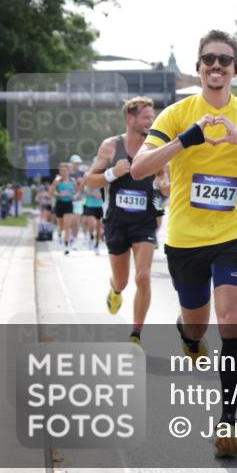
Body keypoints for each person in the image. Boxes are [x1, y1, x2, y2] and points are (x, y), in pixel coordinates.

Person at [131, 29, 237, 459]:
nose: (216, 66)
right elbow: (138, 169)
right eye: (209, 59)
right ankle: (188, 338)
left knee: (230, 320)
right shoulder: (176, 113)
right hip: (186, 239)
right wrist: (184, 140)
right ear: (199, 66)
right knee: (197, 323)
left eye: (225, 60)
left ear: (235, 70)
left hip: (235, 234)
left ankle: (227, 422)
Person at [84, 96, 162, 343]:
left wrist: (164, 185)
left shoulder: (156, 146)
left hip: (144, 222)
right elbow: (90, 182)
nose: (152, 121)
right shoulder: (111, 146)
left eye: (153, 117)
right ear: (131, 119)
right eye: (147, 117)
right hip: (116, 222)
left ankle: (136, 333)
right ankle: (115, 291)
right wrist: (112, 173)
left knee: (143, 276)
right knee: (122, 280)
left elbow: (163, 179)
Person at [49, 163, 77, 253]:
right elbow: (51, 192)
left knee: (67, 225)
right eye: (61, 170)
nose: (63, 172)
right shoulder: (57, 181)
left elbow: (76, 192)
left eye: (64, 170)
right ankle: (60, 234)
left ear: (68, 171)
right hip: (60, 203)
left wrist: (75, 196)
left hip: (69, 203)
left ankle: (66, 246)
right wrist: (59, 194)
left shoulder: (73, 181)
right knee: (61, 225)